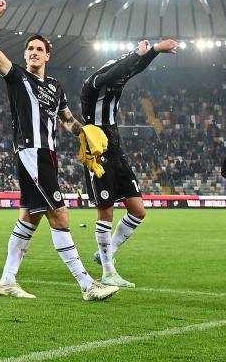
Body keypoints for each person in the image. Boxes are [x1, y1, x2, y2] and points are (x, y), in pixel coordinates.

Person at [0, 0, 117, 300]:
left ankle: (6, 281)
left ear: (47, 55)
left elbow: (67, 119)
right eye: (29, 49)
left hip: (49, 155)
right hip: (31, 153)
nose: (33, 52)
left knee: (29, 218)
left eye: (38, 49)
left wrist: (86, 135)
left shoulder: (55, 86)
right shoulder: (17, 76)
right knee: (61, 215)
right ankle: (86, 285)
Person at [81, 38, 178, 287]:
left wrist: (154, 51)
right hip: (97, 148)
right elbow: (119, 70)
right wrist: (137, 53)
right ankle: (107, 271)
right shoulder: (94, 82)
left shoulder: (117, 77)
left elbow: (131, 69)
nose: (123, 77)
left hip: (116, 147)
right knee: (106, 211)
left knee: (138, 210)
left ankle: (107, 253)